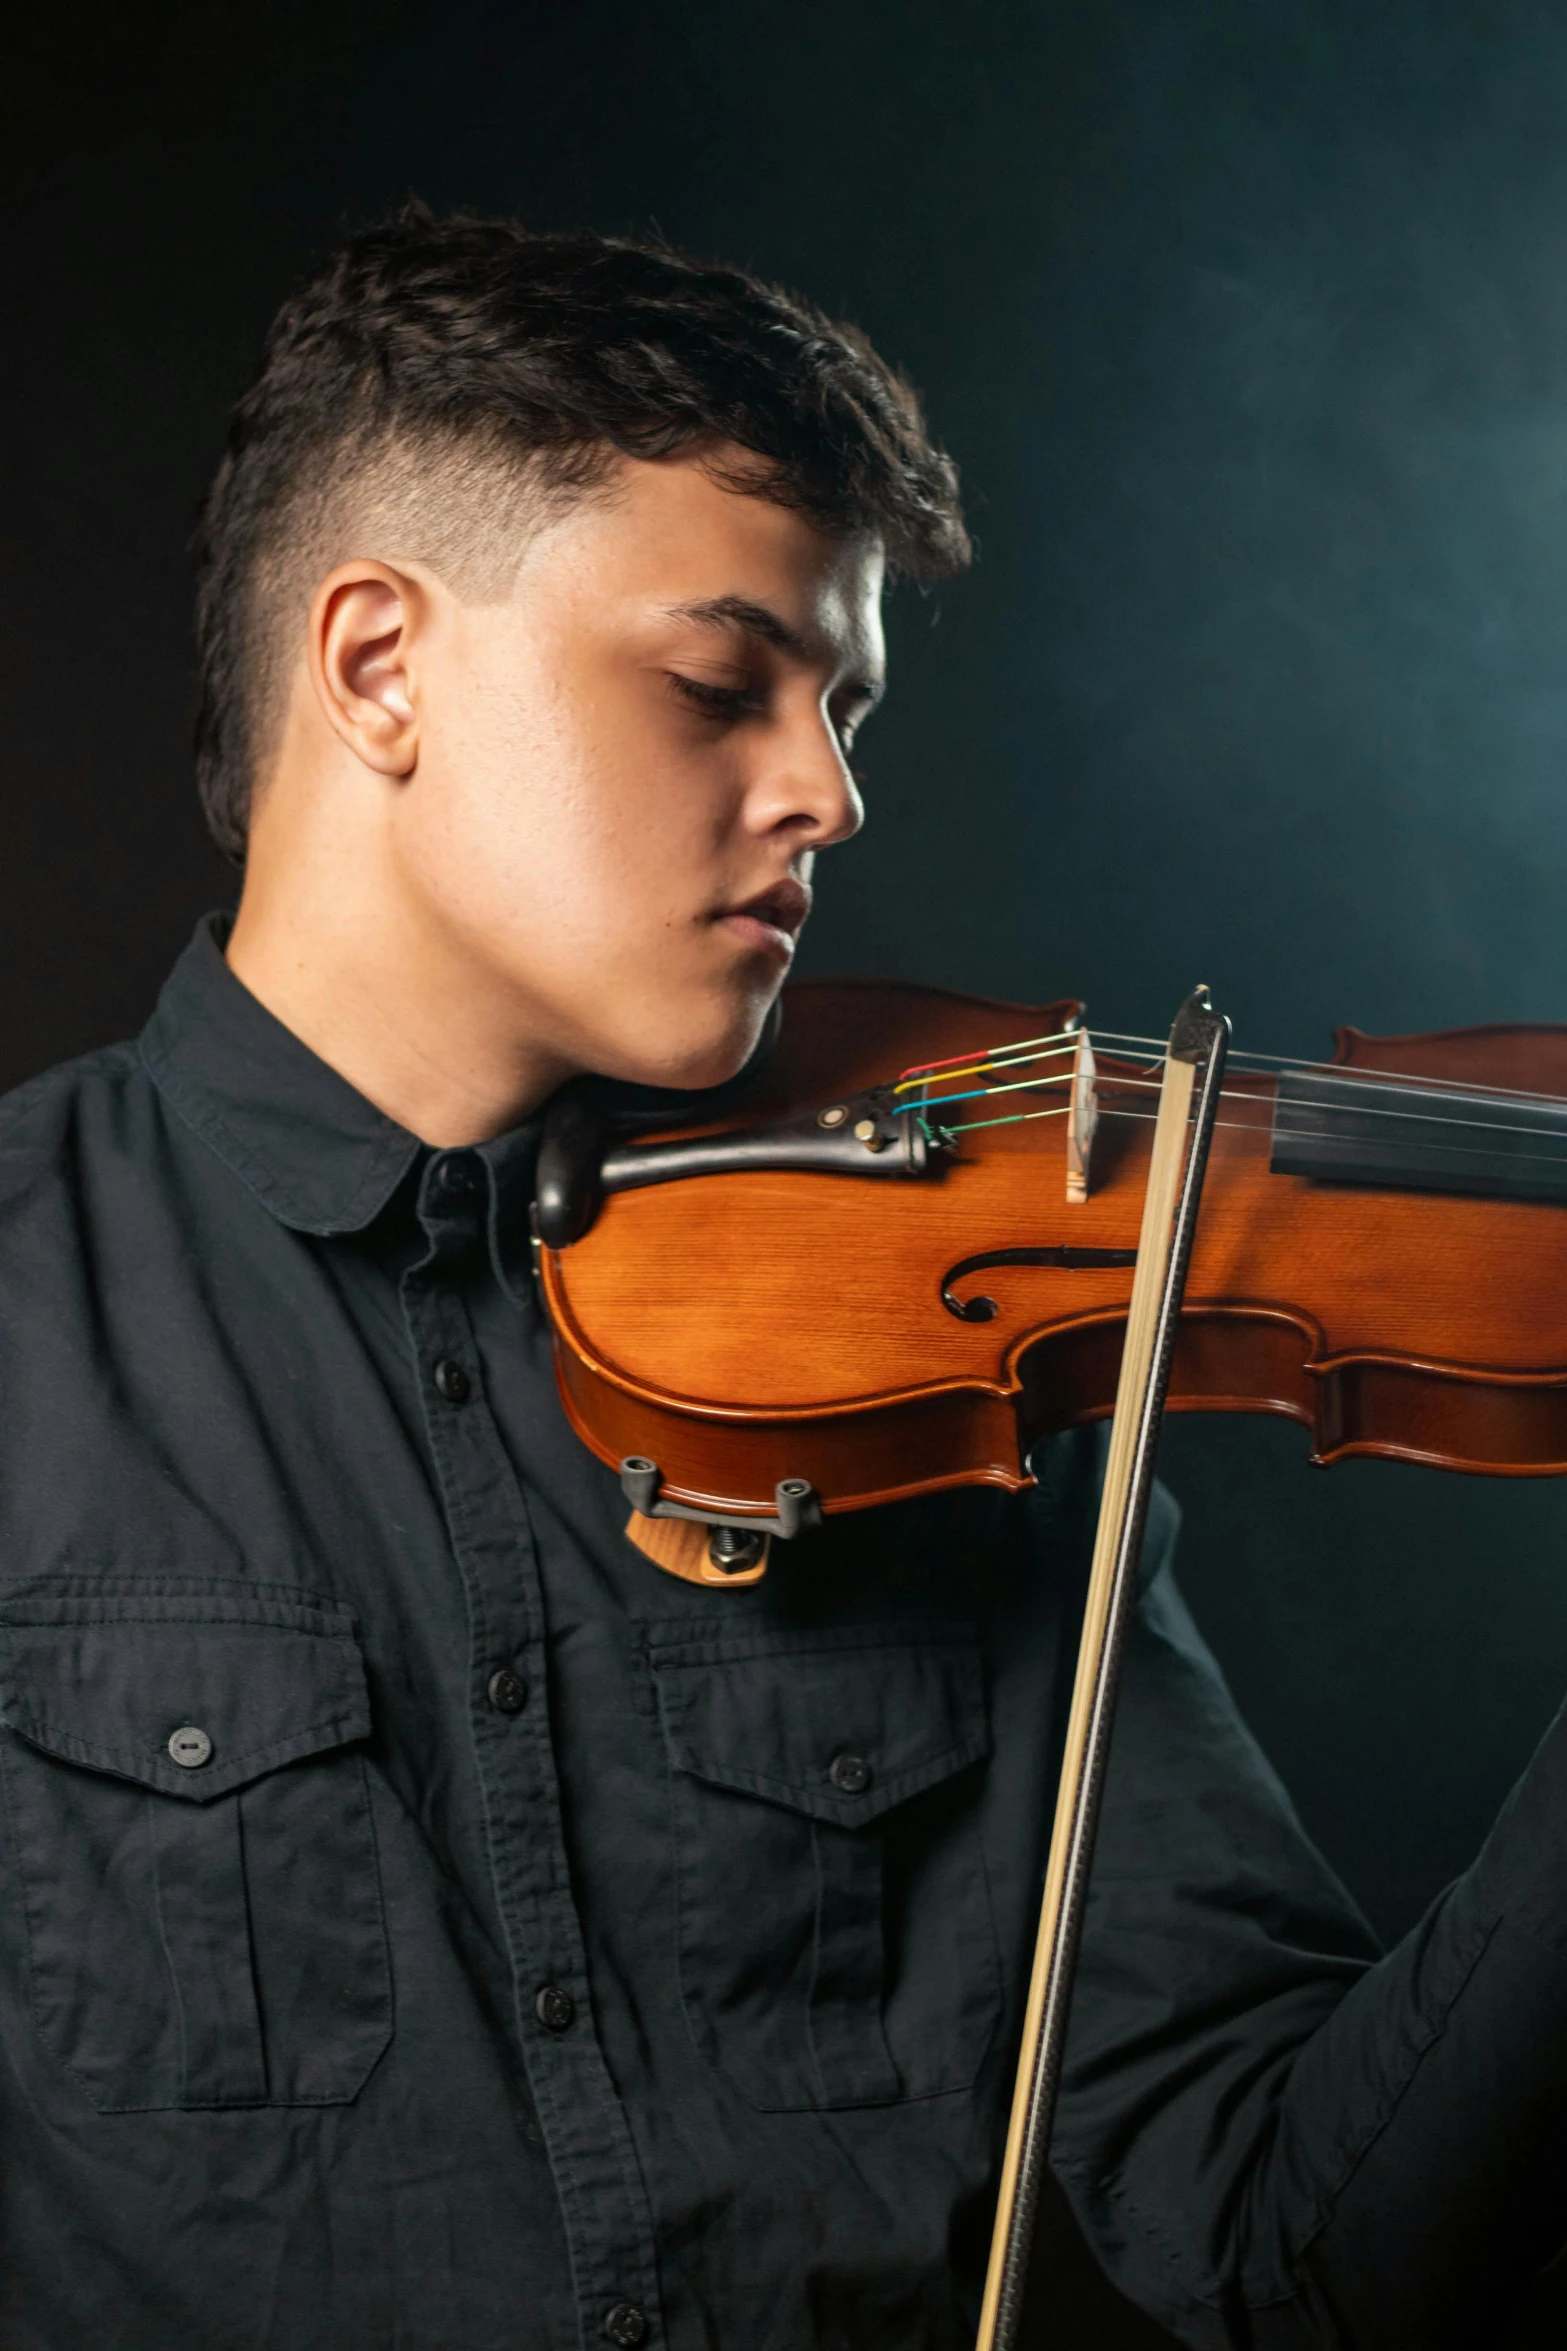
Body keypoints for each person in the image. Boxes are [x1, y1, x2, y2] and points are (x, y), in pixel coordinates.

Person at [0, 202, 1564, 2351]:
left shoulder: (944, 1375)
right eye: (719, 684)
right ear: (377, 666)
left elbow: (1300, 2249)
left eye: (841, 705)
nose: (825, 792)